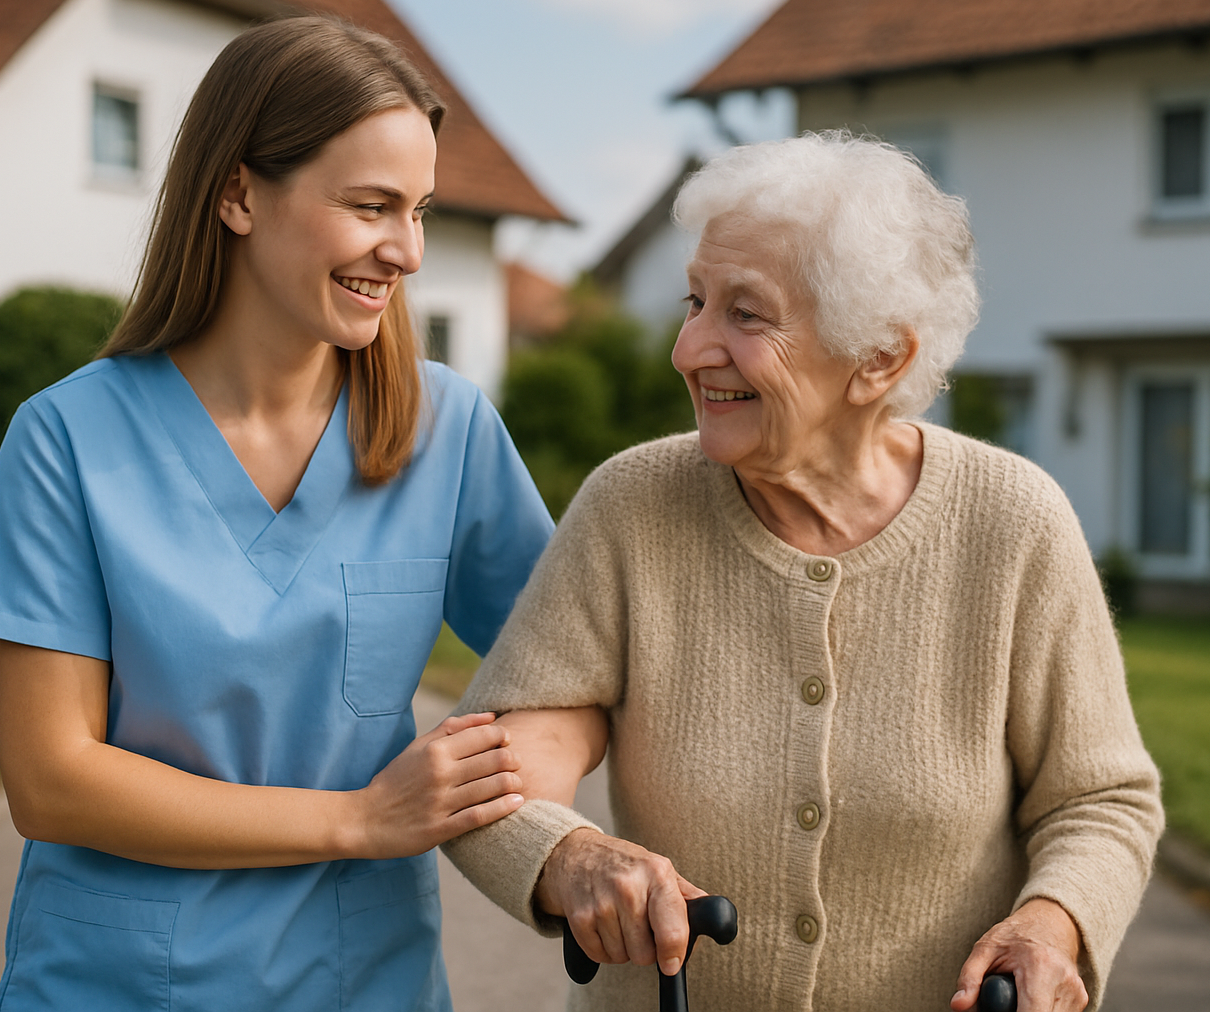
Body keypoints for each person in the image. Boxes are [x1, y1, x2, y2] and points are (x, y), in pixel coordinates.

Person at [443, 132, 1164, 1012]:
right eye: (696, 301)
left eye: (746, 315)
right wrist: (569, 855)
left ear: (880, 359)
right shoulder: (631, 510)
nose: (688, 349)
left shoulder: (1013, 525)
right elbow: (498, 769)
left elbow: (1100, 799)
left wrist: (1053, 925)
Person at [0, 16, 552, 1012]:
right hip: (114, 988)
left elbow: (575, 670)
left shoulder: (448, 431)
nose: (407, 250)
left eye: (420, 211)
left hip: (369, 986)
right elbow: (51, 780)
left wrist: (570, 852)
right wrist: (358, 819)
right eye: (371, 206)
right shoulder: (67, 439)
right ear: (237, 195)